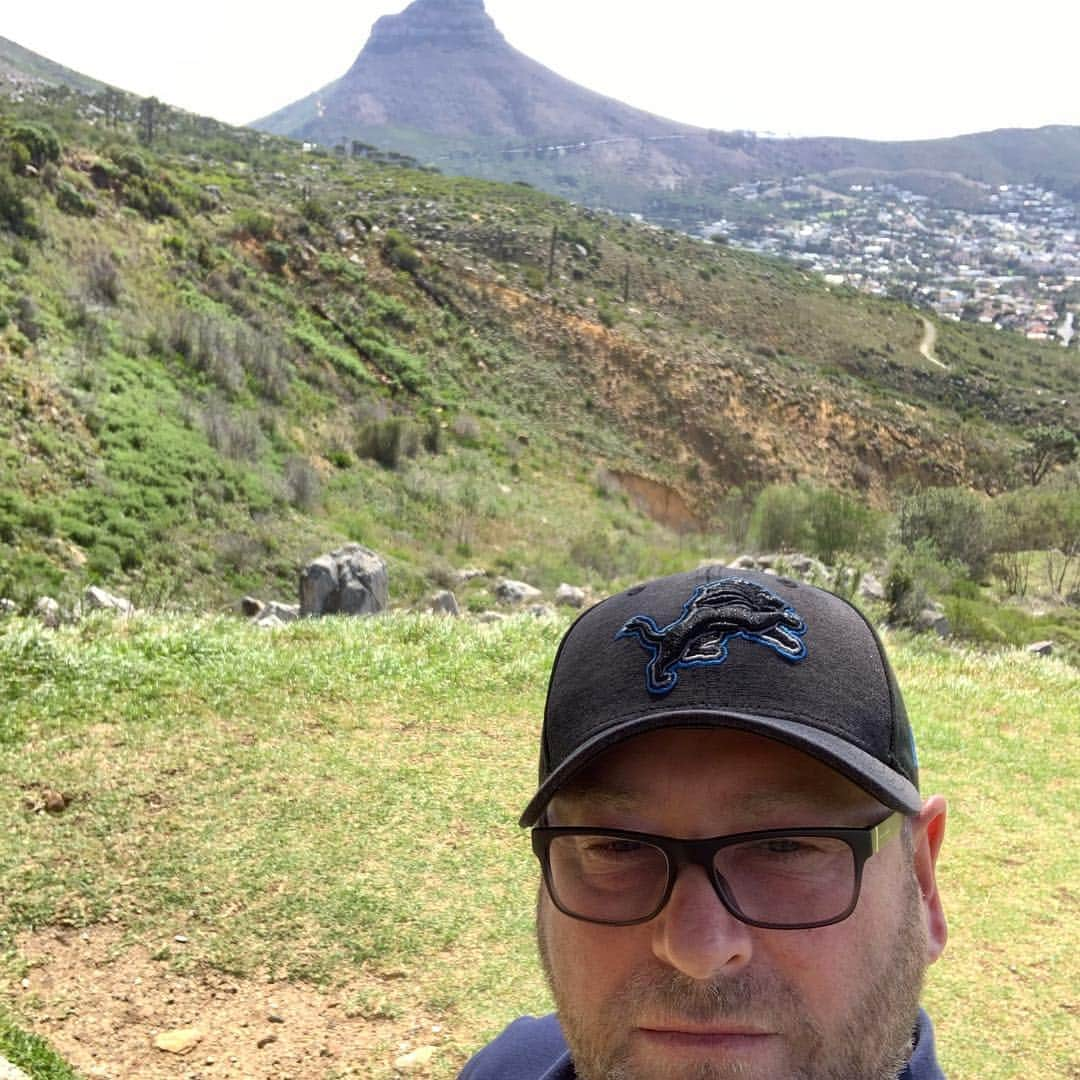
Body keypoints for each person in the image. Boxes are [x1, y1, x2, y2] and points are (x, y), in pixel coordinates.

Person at [460, 567, 948, 1079]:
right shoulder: (505, 1068)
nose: (697, 951)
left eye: (783, 847)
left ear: (922, 881)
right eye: (616, 848)